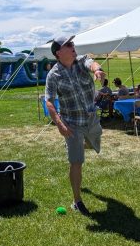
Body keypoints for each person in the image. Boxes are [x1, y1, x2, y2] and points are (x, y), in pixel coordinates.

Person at [45, 35, 106, 215]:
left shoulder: (81, 61)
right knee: (76, 162)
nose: (73, 46)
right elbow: (49, 101)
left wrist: (98, 70)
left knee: (96, 144)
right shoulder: (53, 75)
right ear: (58, 53)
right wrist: (59, 124)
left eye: (73, 43)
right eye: (68, 45)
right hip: (72, 123)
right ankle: (77, 200)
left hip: (91, 118)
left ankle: (83, 144)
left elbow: (91, 63)